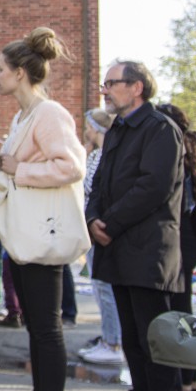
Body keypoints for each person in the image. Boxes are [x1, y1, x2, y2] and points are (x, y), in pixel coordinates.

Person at [0, 27, 85, 391]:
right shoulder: (23, 117)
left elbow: (72, 166)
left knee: (45, 327)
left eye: (0, 69)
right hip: (24, 235)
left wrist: (16, 168)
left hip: (44, 234)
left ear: (19, 73)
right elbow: (19, 168)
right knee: (38, 327)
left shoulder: (49, 113)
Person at [87, 60, 184, 391]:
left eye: (111, 83)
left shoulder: (160, 128)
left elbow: (153, 187)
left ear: (136, 86)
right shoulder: (118, 128)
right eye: (104, 83)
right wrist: (91, 220)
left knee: (155, 343)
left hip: (148, 254)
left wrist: (109, 223)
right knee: (132, 341)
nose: (104, 90)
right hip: (119, 252)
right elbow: (98, 182)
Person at [156, 103, 196, 391]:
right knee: (184, 311)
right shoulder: (190, 154)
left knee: (177, 315)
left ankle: (185, 382)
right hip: (189, 240)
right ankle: (192, 380)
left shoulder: (174, 152)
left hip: (177, 240)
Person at [76, 107, 124, 365]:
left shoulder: (103, 156)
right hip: (94, 226)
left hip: (100, 228)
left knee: (104, 287)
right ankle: (110, 338)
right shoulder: (96, 154)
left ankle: (113, 342)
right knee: (100, 286)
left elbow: (94, 189)